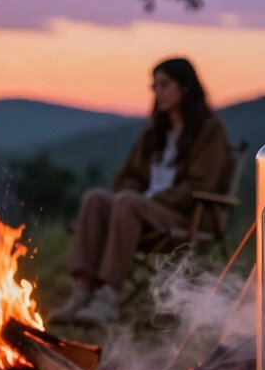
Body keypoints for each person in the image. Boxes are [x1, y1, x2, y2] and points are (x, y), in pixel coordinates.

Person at [52, 57, 230, 324]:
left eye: (164, 84)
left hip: (182, 214)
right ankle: (84, 290)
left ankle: (109, 296)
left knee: (127, 202)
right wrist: (136, 194)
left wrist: (148, 200)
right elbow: (128, 176)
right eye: (155, 85)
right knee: (95, 198)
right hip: (139, 210)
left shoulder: (209, 131)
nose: (157, 91)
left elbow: (199, 186)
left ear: (185, 88)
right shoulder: (156, 130)